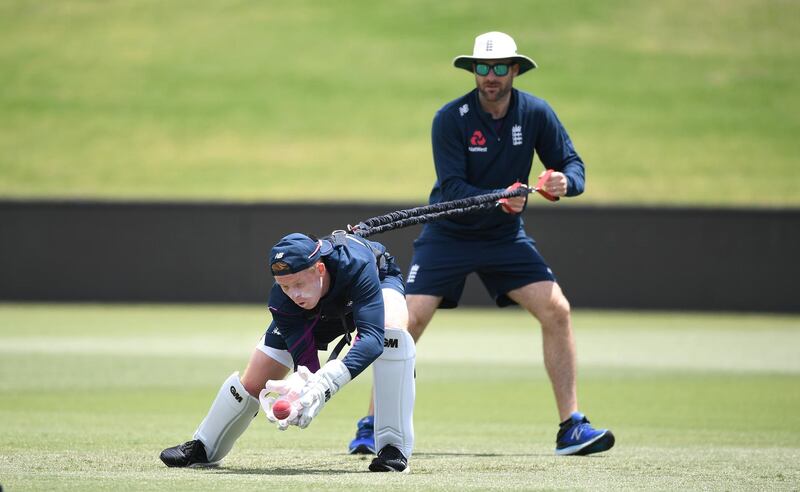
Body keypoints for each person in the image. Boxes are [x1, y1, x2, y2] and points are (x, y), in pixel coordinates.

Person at [348, 31, 614, 457]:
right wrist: (502, 198)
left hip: (505, 238)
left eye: (498, 68)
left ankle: (571, 428)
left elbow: (573, 166)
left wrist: (566, 182)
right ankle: (371, 424)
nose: (490, 76)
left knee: (557, 310)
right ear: (474, 71)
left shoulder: (536, 114)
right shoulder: (450, 118)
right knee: (405, 321)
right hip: (447, 234)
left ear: (513, 70)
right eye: (482, 68)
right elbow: (452, 189)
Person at [161, 231, 416, 472]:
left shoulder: (356, 264)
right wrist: (301, 393)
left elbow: (372, 339)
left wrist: (327, 384)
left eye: (298, 284)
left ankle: (394, 450)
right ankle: (204, 446)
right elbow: (306, 365)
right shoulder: (284, 303)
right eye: (284, 286)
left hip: (376, 287)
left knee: (391, 332)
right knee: (253, 379)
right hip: (319, 313)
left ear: (319, 269)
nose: (294, 294)